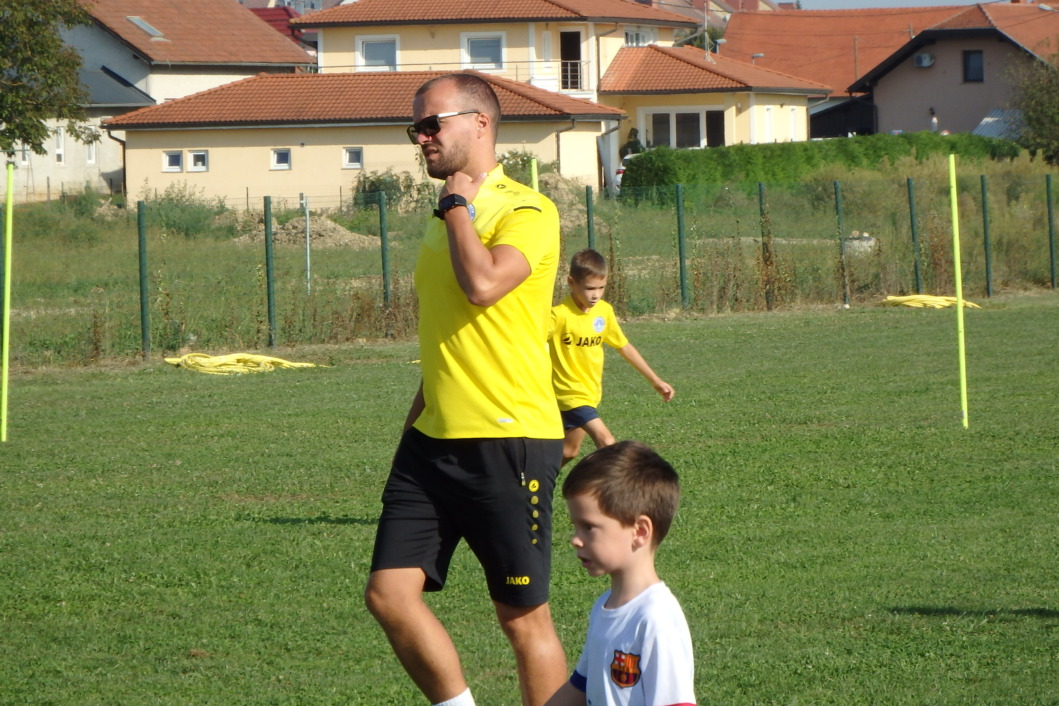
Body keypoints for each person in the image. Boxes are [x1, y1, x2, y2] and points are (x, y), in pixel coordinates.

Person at [364, 73, 567, 706]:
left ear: (480, 123)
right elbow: (449, 337)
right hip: (432, 441)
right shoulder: (444, 216)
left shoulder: (527, 210)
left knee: (522, 620)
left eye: (432, 124)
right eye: (415, 129)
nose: (420, 138)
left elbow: (483, 286)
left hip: (508, 438)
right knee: (389, 595)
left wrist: (457, 208)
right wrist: (411, 428)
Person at [546, 441, 696, 706]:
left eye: (588, 527)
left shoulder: (655, 618)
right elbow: (580, 686)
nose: (575, 540)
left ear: (639, 531)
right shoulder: (604, 606)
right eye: (575, 527)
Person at [549, 249, 674, 466]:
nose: (596, 295)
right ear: (571, 282)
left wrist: (655, 380)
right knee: (607, 442)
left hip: (591, 392)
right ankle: (613, 488)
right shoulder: (558, 315)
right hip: (568, 393)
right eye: (589, 288)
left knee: (569, 451)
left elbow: (623, 346)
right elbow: (528, 343)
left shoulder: (604, 312)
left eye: (601, 288)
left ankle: (532, 481)